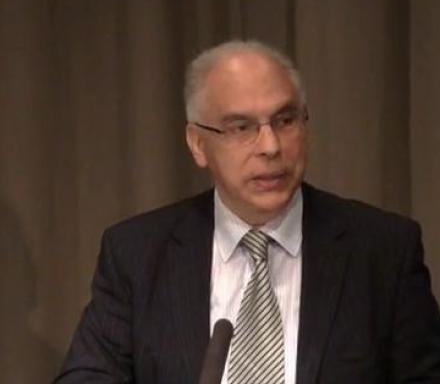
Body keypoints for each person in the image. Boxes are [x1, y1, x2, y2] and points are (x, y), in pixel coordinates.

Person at [54, 40, 440, 383]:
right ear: (198, 143)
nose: (270, 146)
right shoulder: (137, 255)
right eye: (241, 128)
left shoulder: (383, 251)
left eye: (285, 121)